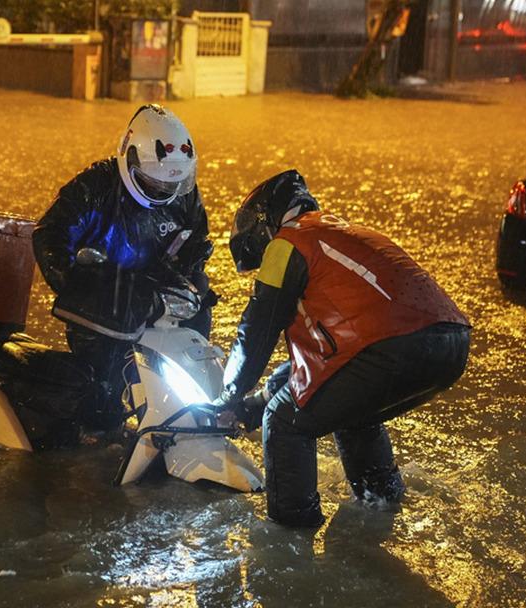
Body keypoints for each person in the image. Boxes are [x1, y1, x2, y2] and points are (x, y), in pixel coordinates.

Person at [216, 169, 470, 528]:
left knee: (284, 422)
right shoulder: (339, 232)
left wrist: (229, 393)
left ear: (266, 223)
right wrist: (250, 408)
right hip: (450, 343)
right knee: (351, 412)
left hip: (385, 347)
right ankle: (382, 505)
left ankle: (291, 536)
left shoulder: (287, 243)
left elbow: (256, 330)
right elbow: (312, 372)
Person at [33, 105, 214, 431]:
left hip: (156, 302)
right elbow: (50, 234)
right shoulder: (94, 188)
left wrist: (190, 280)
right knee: (101, 408)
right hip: (107, 309)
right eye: (152, 183)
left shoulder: (183, 195)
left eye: (169, 186)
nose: (163, 192)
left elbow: (196, 241)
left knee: (189, 375)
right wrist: (78, 284)